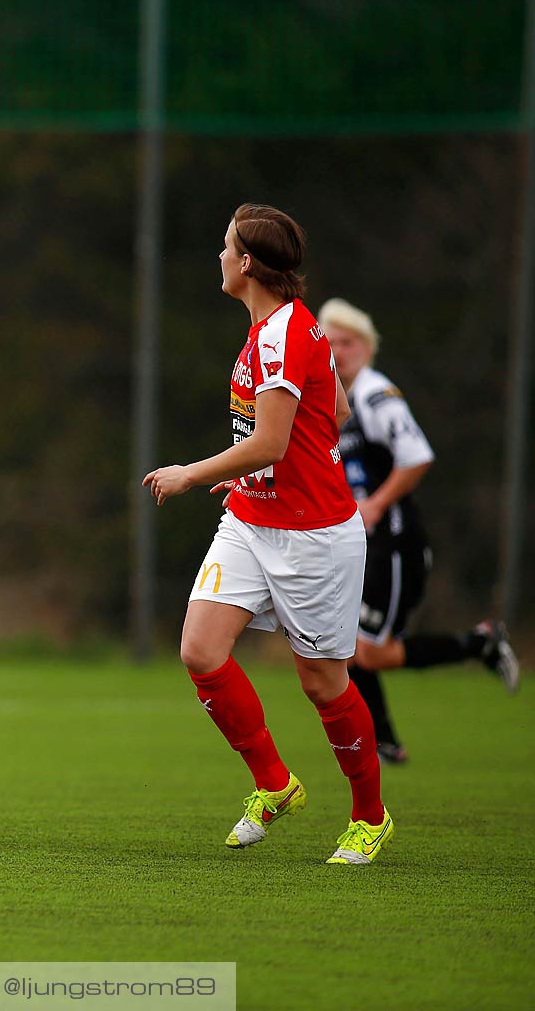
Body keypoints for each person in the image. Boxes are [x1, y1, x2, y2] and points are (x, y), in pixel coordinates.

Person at [143, 203, 393, 865]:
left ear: (248, 262)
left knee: (323, 684)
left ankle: (370, 817)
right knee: (201, 650)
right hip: (255, 522)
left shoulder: (283, 336)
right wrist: (262, 477)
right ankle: (275, 784)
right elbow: (330, 411)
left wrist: (192, 473)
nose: (219, 257)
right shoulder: (277, 329)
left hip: (315, 539)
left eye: (226, 247)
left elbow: (273, 439)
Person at [318, 297, 519, 764]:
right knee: (350, 647)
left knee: (368, 653)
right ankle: (384, 740)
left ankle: (478, 644)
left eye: (348, 342)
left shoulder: (373, 393)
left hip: (395, 543)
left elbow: (417, 456)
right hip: (368, 544)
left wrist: (375, 505)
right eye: (330, 343)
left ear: (367, 348)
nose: (339, 351)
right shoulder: (336, 398)